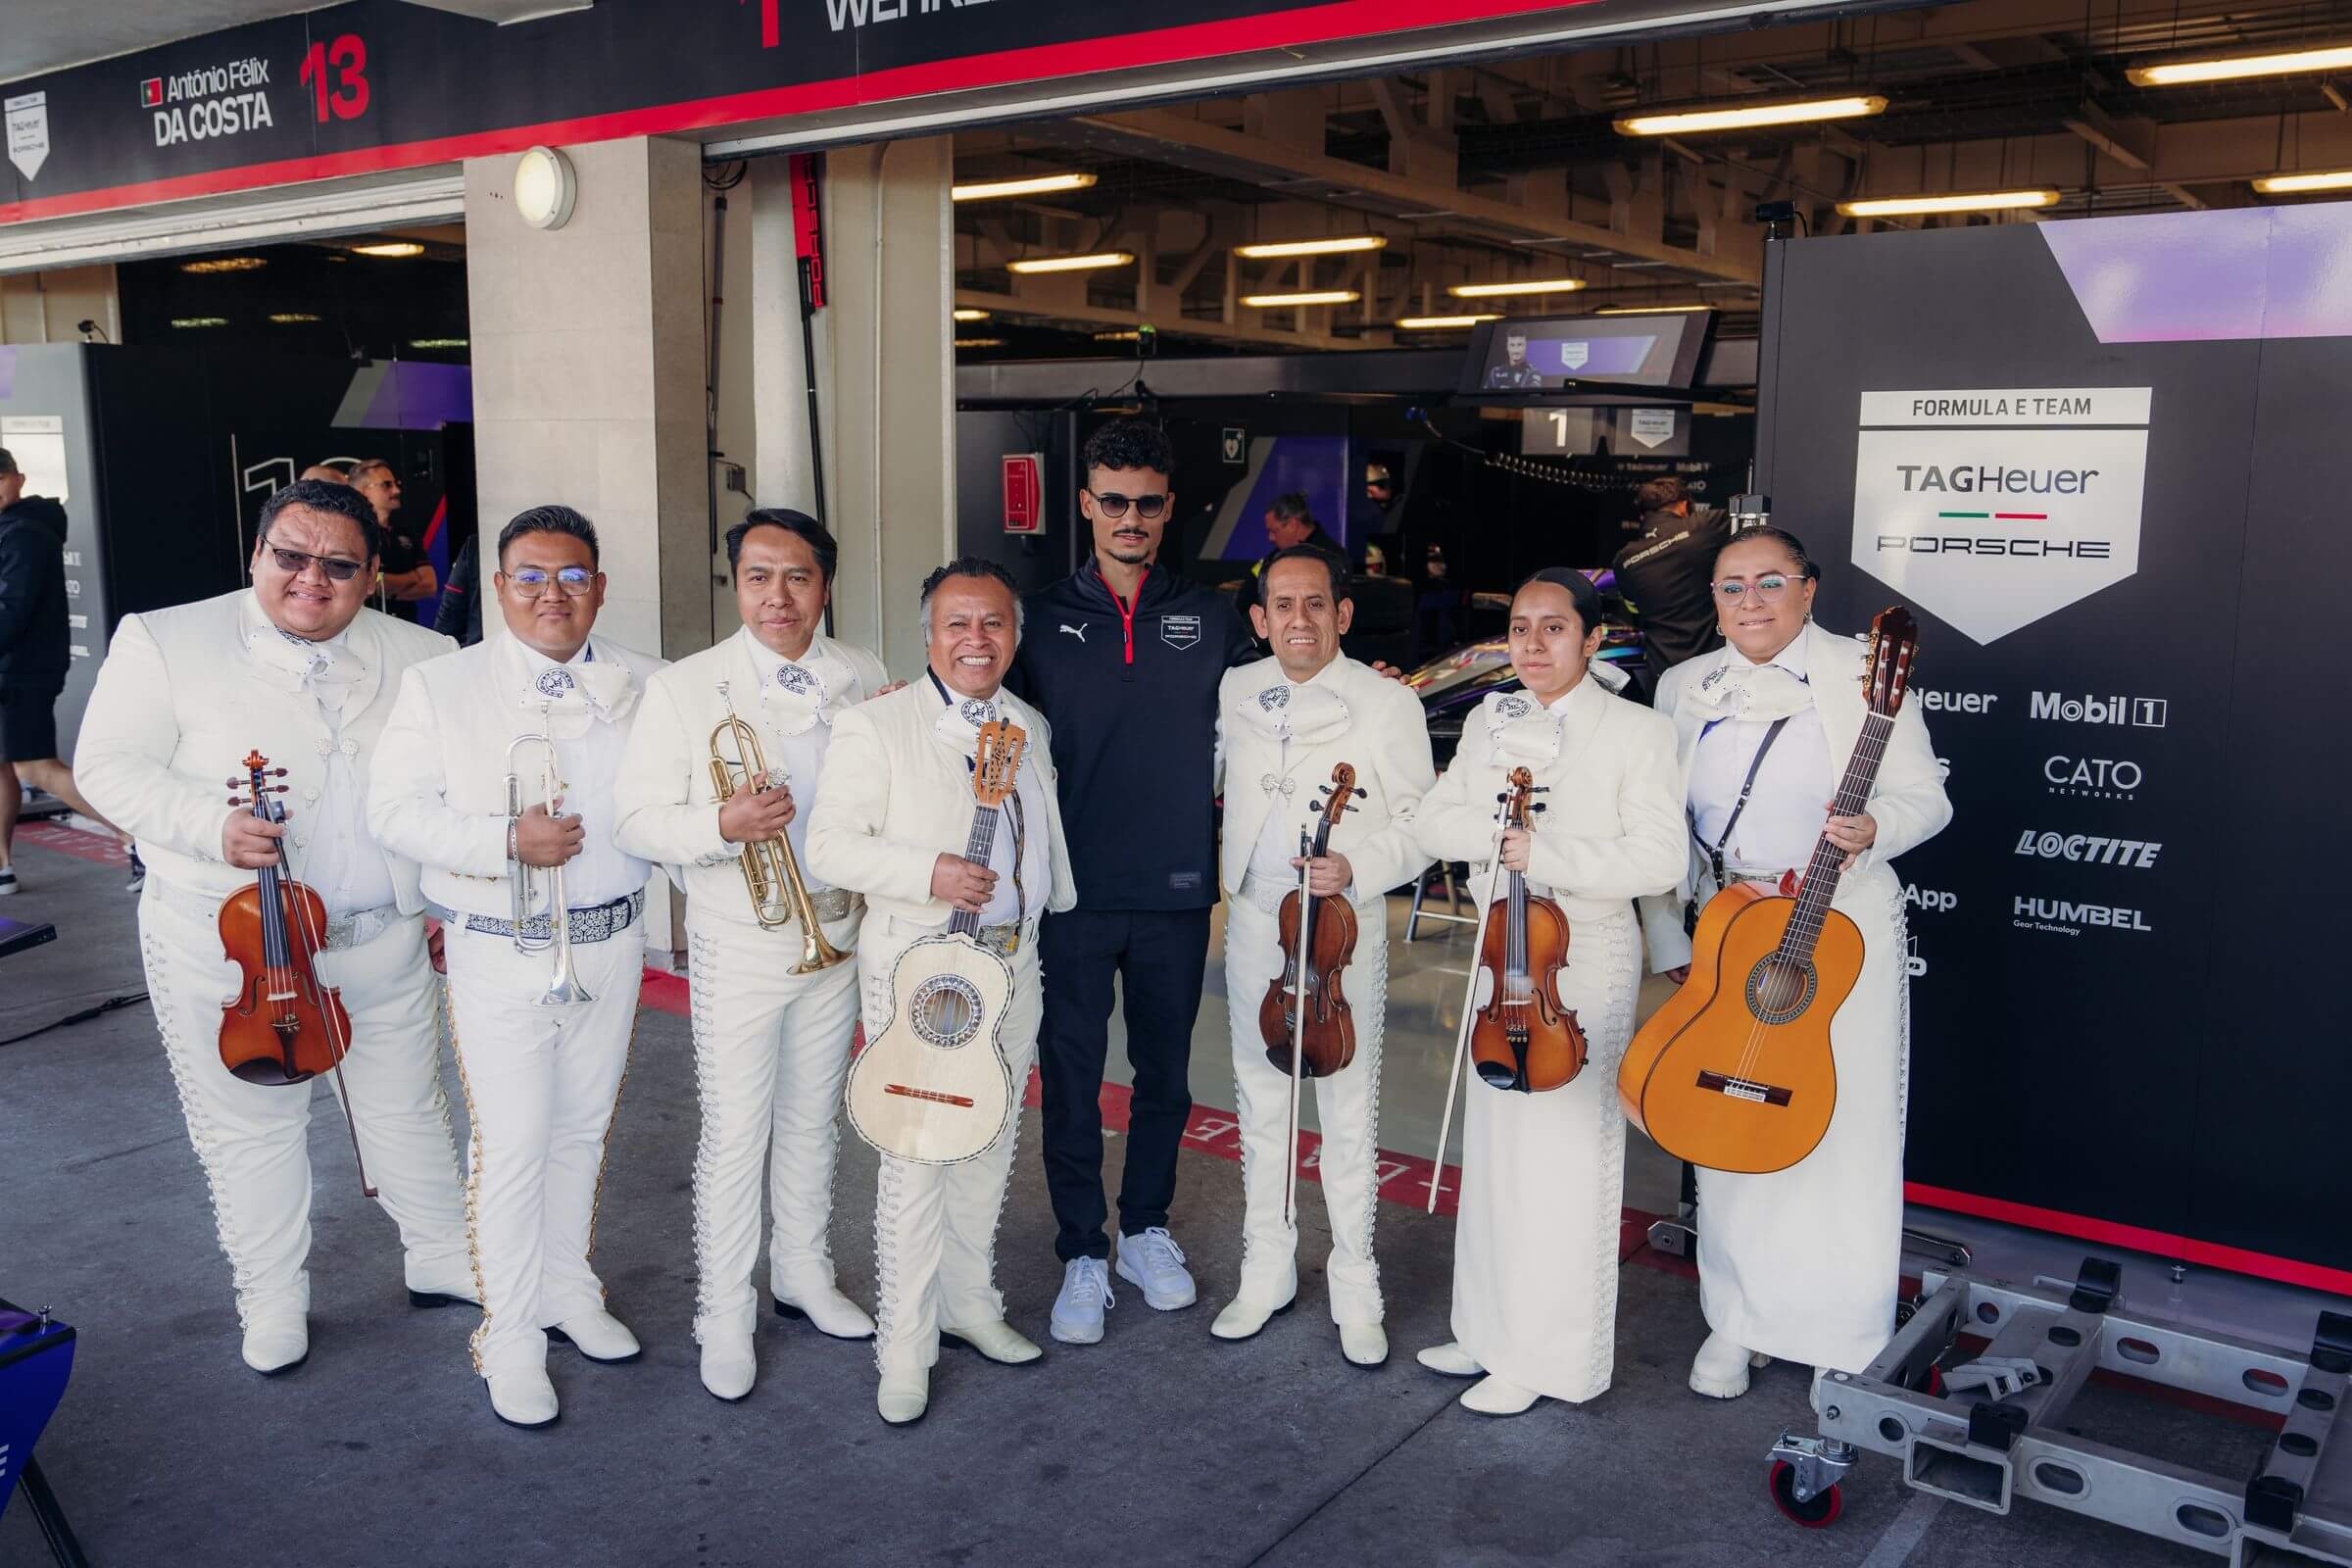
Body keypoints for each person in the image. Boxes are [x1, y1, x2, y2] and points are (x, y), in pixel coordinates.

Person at [75, 477, 472, 1376]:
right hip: (229, 944)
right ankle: (273, 1296)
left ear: (374, 574)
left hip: (382, 937)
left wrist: (442, 899)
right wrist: (209, 826)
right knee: (251, 1127)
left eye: (338, 565)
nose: (310, 579)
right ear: (256, 554)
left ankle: (442, 1257)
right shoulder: (167, 639)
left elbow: (450, 794)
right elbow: (107, 766)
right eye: (289, 557)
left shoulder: (427, 653)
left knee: (407, 1105)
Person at [1639, 525, 1950, 1402]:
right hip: (1730, 927)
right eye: (1731, 587)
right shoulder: (1682, 684)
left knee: (1840, 1129)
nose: (1750, 603)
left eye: (1769, 583)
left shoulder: (1863, 672)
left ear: (1809, 590)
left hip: (1839, 927)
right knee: (1731, 1122)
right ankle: (1738, 1319)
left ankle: (1843, 1333)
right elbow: (1665, 822)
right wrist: (1673, 940)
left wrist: (1877, 827)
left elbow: (1926, 796)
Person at [368, 505, 660, 1429]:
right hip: (501, 949)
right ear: (498, 588)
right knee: (514, 1146)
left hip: (611, 941)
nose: (552, 594)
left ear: (600, 586)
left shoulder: (646, 682)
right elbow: (396, 813)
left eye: (573, 575)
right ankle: (509, 1333)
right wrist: (505, 841)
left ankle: (568, 1289)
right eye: (530, 576)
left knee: (582, 1132)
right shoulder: (442, 686)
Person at [612, 509, 891, 1403]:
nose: (779, 596)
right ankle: (722, 1312)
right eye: (760, 576)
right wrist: (721, 825)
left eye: (798, 576)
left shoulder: (865, 674)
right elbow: (636, 820)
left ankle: (803, 1275)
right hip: (743, 939)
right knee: (738, 1132)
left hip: (839, 935)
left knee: (814, 1117)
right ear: (738, 584)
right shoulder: (684, 689)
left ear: (825, 584)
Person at [806, 558, 1075, 1426]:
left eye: (993, 624)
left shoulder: (1026, 721)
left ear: (1015, 637)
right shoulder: (875, 726)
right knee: (916, 1155)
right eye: (958, 624)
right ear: (927, 635)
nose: (976, 640)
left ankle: (968, 1302)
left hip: (1013, 964)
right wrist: (929, 871)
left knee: (990, 1139)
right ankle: (904, 1346)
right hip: (923, 972)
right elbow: (831, 849)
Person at [1409, 569, 1684, 1414]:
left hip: (1583, 956)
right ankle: (1489, 1331)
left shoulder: (1639, 732)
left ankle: (1552, 1360)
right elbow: (1431, 821)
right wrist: (1500, 831)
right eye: (1520, 627)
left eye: (1554, 628)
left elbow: (1662, 860)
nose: (1532, 644)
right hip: (1506, 953)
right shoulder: (1493, 720)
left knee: (1566, 1163)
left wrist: (1550, 855)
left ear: (1592, 639)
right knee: (1495, 1156)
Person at [1008, 418, 1254, 1348]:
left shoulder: (1216, 618)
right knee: (1069, 1076)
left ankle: (1144, 1229)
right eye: (1114, 500)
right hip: (1069, 894)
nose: (1131, 518)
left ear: (1168, 508)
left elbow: (1284, 711)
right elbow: (973, 713)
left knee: (1163, 1079)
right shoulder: (1036, 617)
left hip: (1177, 890)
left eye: (1148, 503)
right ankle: (1081, 1245)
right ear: (1086, 504)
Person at [1210, 543, 1434, 1368]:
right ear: (1259, 618)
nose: (1297, 620)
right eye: (1281, 606)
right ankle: (1264, 1269)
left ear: (1342, 614)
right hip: (1254, 921)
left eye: (1315, 604)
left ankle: (1355, 1280)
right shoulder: (1236, 688)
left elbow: (1421, 820)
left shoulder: (1385, 701)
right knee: (1262, 1103)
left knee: (1346, 1111)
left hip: (1339, 929)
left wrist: (1359, 867)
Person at [0, 447, 135, 895]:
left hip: (19, 670)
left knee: (35, 767)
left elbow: (12, 611)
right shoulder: (15, 527)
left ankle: (138, 836)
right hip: (15, 666)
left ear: (17, 479)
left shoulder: (25, 531)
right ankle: (2, 864)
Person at [1610, 476, 1731, 677]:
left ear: (1643, 517)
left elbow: (1633, 609)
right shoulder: (1706, 526)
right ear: (1684, 506)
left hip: (1663, 670)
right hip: (1716, 661)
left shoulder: (1624, 561)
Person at [1237, 493, 1342, 615]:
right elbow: (1246, 594)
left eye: (1273, 531)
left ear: (1292, 525)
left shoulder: (1330, 557)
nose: (1270, 538)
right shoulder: (1273, 557)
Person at [350, 459, 437, 606]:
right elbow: (369, 582)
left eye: (396, 484)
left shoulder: (406, 533)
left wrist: (391, 592)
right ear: (364, 491)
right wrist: (413, 576)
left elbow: (430, 584)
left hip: (405, 623)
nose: (397, 490)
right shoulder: (354, 533)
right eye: (387, 485)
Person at [432, 533, 487, 647]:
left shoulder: (475, 544)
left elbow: (451, 610)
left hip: (480, 650)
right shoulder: (473, 545)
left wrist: (438, 649)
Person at [1482, 330, 1546, 391]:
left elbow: (1531, 399)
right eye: (1512, 345)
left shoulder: (1532, 373)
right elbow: (1484, 398)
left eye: (1519, 345)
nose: (1516, 350)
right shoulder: (1495, 372)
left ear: (1526, 347)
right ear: (1507, 347)